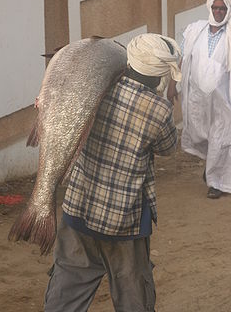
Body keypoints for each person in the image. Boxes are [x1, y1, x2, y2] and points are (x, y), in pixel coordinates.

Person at [44, 33, 181, 312]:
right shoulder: (159, 109)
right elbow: (168, 147)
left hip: (78, 211)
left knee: (65, 293)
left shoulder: (100, 87)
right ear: (158, 77)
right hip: (124, 222)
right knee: (134, 298)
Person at [180, 0, 231, 199]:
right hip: (198, 97)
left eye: (223, 9)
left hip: (223, 98)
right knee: (200, 133)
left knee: (221, 135)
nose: (219, 12)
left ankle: (216, 183)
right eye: (216, 8)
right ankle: (212, 165)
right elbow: (183, 58)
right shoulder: (195, 30)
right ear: (210, 8)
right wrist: (175, 84)